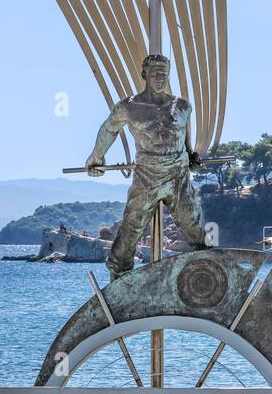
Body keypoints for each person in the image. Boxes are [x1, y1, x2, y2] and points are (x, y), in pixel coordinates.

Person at [86, 54, 207, 280]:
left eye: (164, 74)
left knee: (195, 228)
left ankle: (207, 278)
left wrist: (191, 156)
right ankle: (118, 281)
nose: (161, 78)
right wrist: (96, 156)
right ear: (145, 75)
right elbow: (109, 129)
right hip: (147, 176)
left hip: (177, 175)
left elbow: (183, 136)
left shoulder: (182, 106)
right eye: (155, 74)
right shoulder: (128, 107)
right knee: (130, 231)